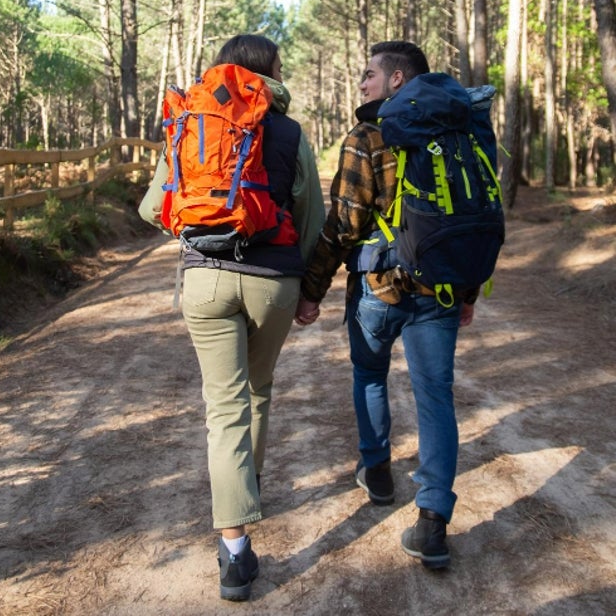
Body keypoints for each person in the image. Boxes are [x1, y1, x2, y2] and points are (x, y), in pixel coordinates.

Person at [139, 34, 324, 602]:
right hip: (274, 283)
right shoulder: (291, 133)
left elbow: (152, 209)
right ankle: (248, 484)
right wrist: (307, 287)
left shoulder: (194, 124)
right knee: (258, 391)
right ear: (271, 73)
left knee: (224, 407)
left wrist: (202, 231)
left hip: (205, 279)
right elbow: (311, 218)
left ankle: (235, 552)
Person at [293, 40, 477, 571]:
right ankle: (433, 522)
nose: (362, 82)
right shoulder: (458, 132)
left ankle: (376, 471)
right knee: (436, 397)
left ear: (398, 80)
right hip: (440, 289)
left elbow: (345, 223)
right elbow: (469, 215)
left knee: (370, 375)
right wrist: (466, 291)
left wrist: (313, 285)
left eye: (370, 74)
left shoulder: (368, 135)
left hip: (379, 287)